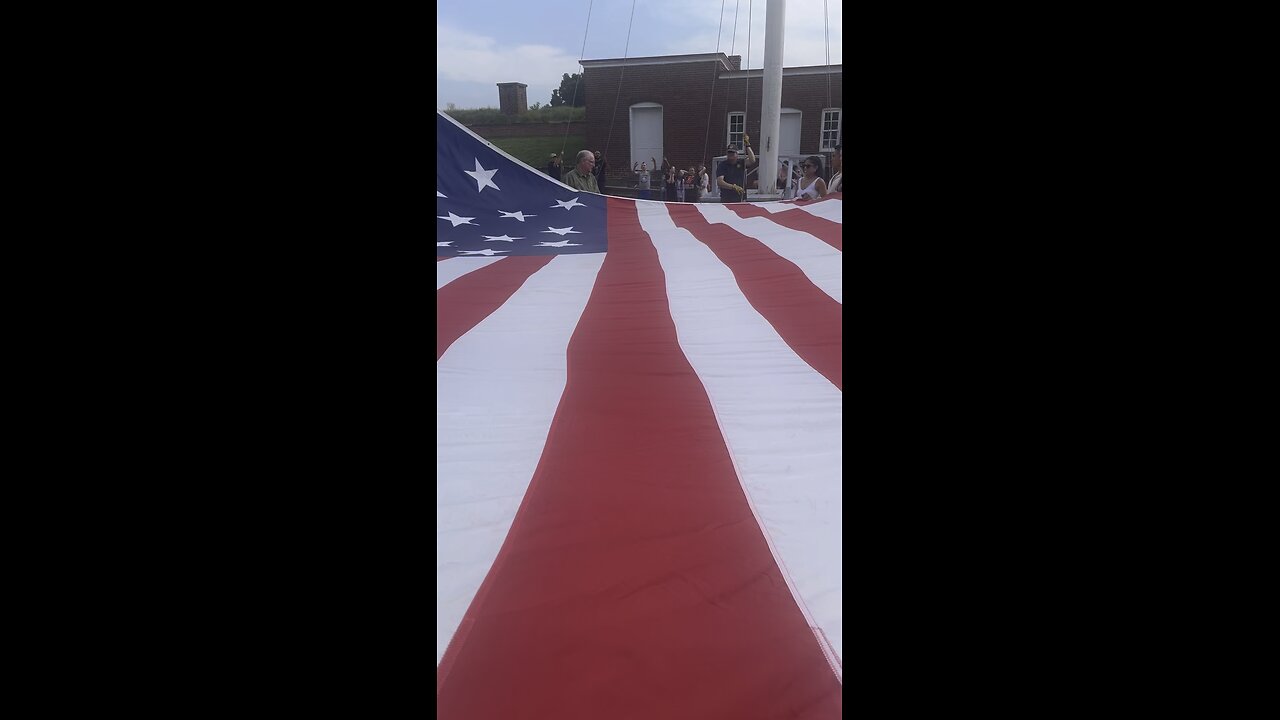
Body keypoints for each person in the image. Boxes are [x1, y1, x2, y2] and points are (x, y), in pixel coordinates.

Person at [716, 134, 757, 202]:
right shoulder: (722, 165)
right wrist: (733, 187)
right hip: (727, 199)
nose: (730, 154)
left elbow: (752, 160)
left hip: (741, 198)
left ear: (737, 154)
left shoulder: (741, 163)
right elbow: (720, 182)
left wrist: (747, 145)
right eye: (729, 152)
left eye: (732, 153)